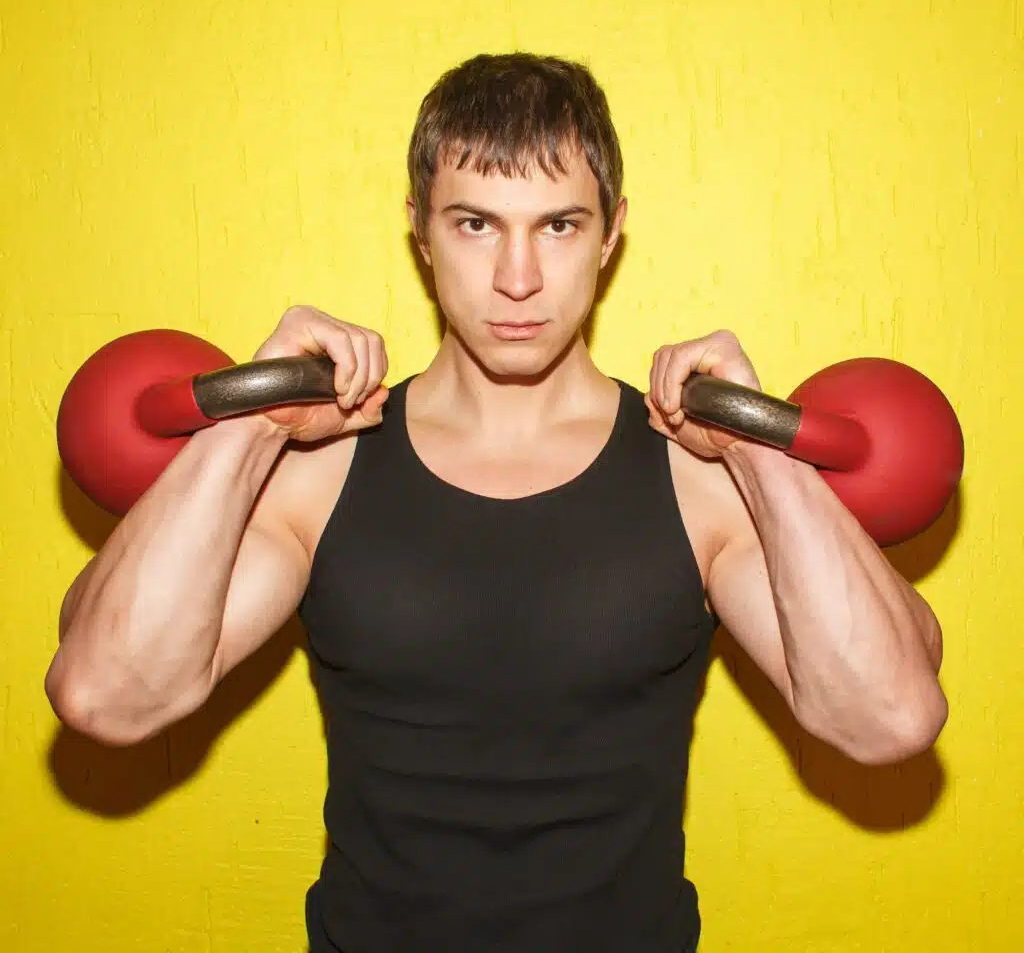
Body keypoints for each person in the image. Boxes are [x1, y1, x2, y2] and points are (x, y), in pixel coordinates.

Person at [45, 53, 947, 952]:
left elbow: (887, 721)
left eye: (558, 225)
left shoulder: (699, 482)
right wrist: (253, 424)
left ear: (610, 233)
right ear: (420, 231)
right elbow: (107, 697)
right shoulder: (318, 474)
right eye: (476, 223)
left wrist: (760, 451)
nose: (518, 277)